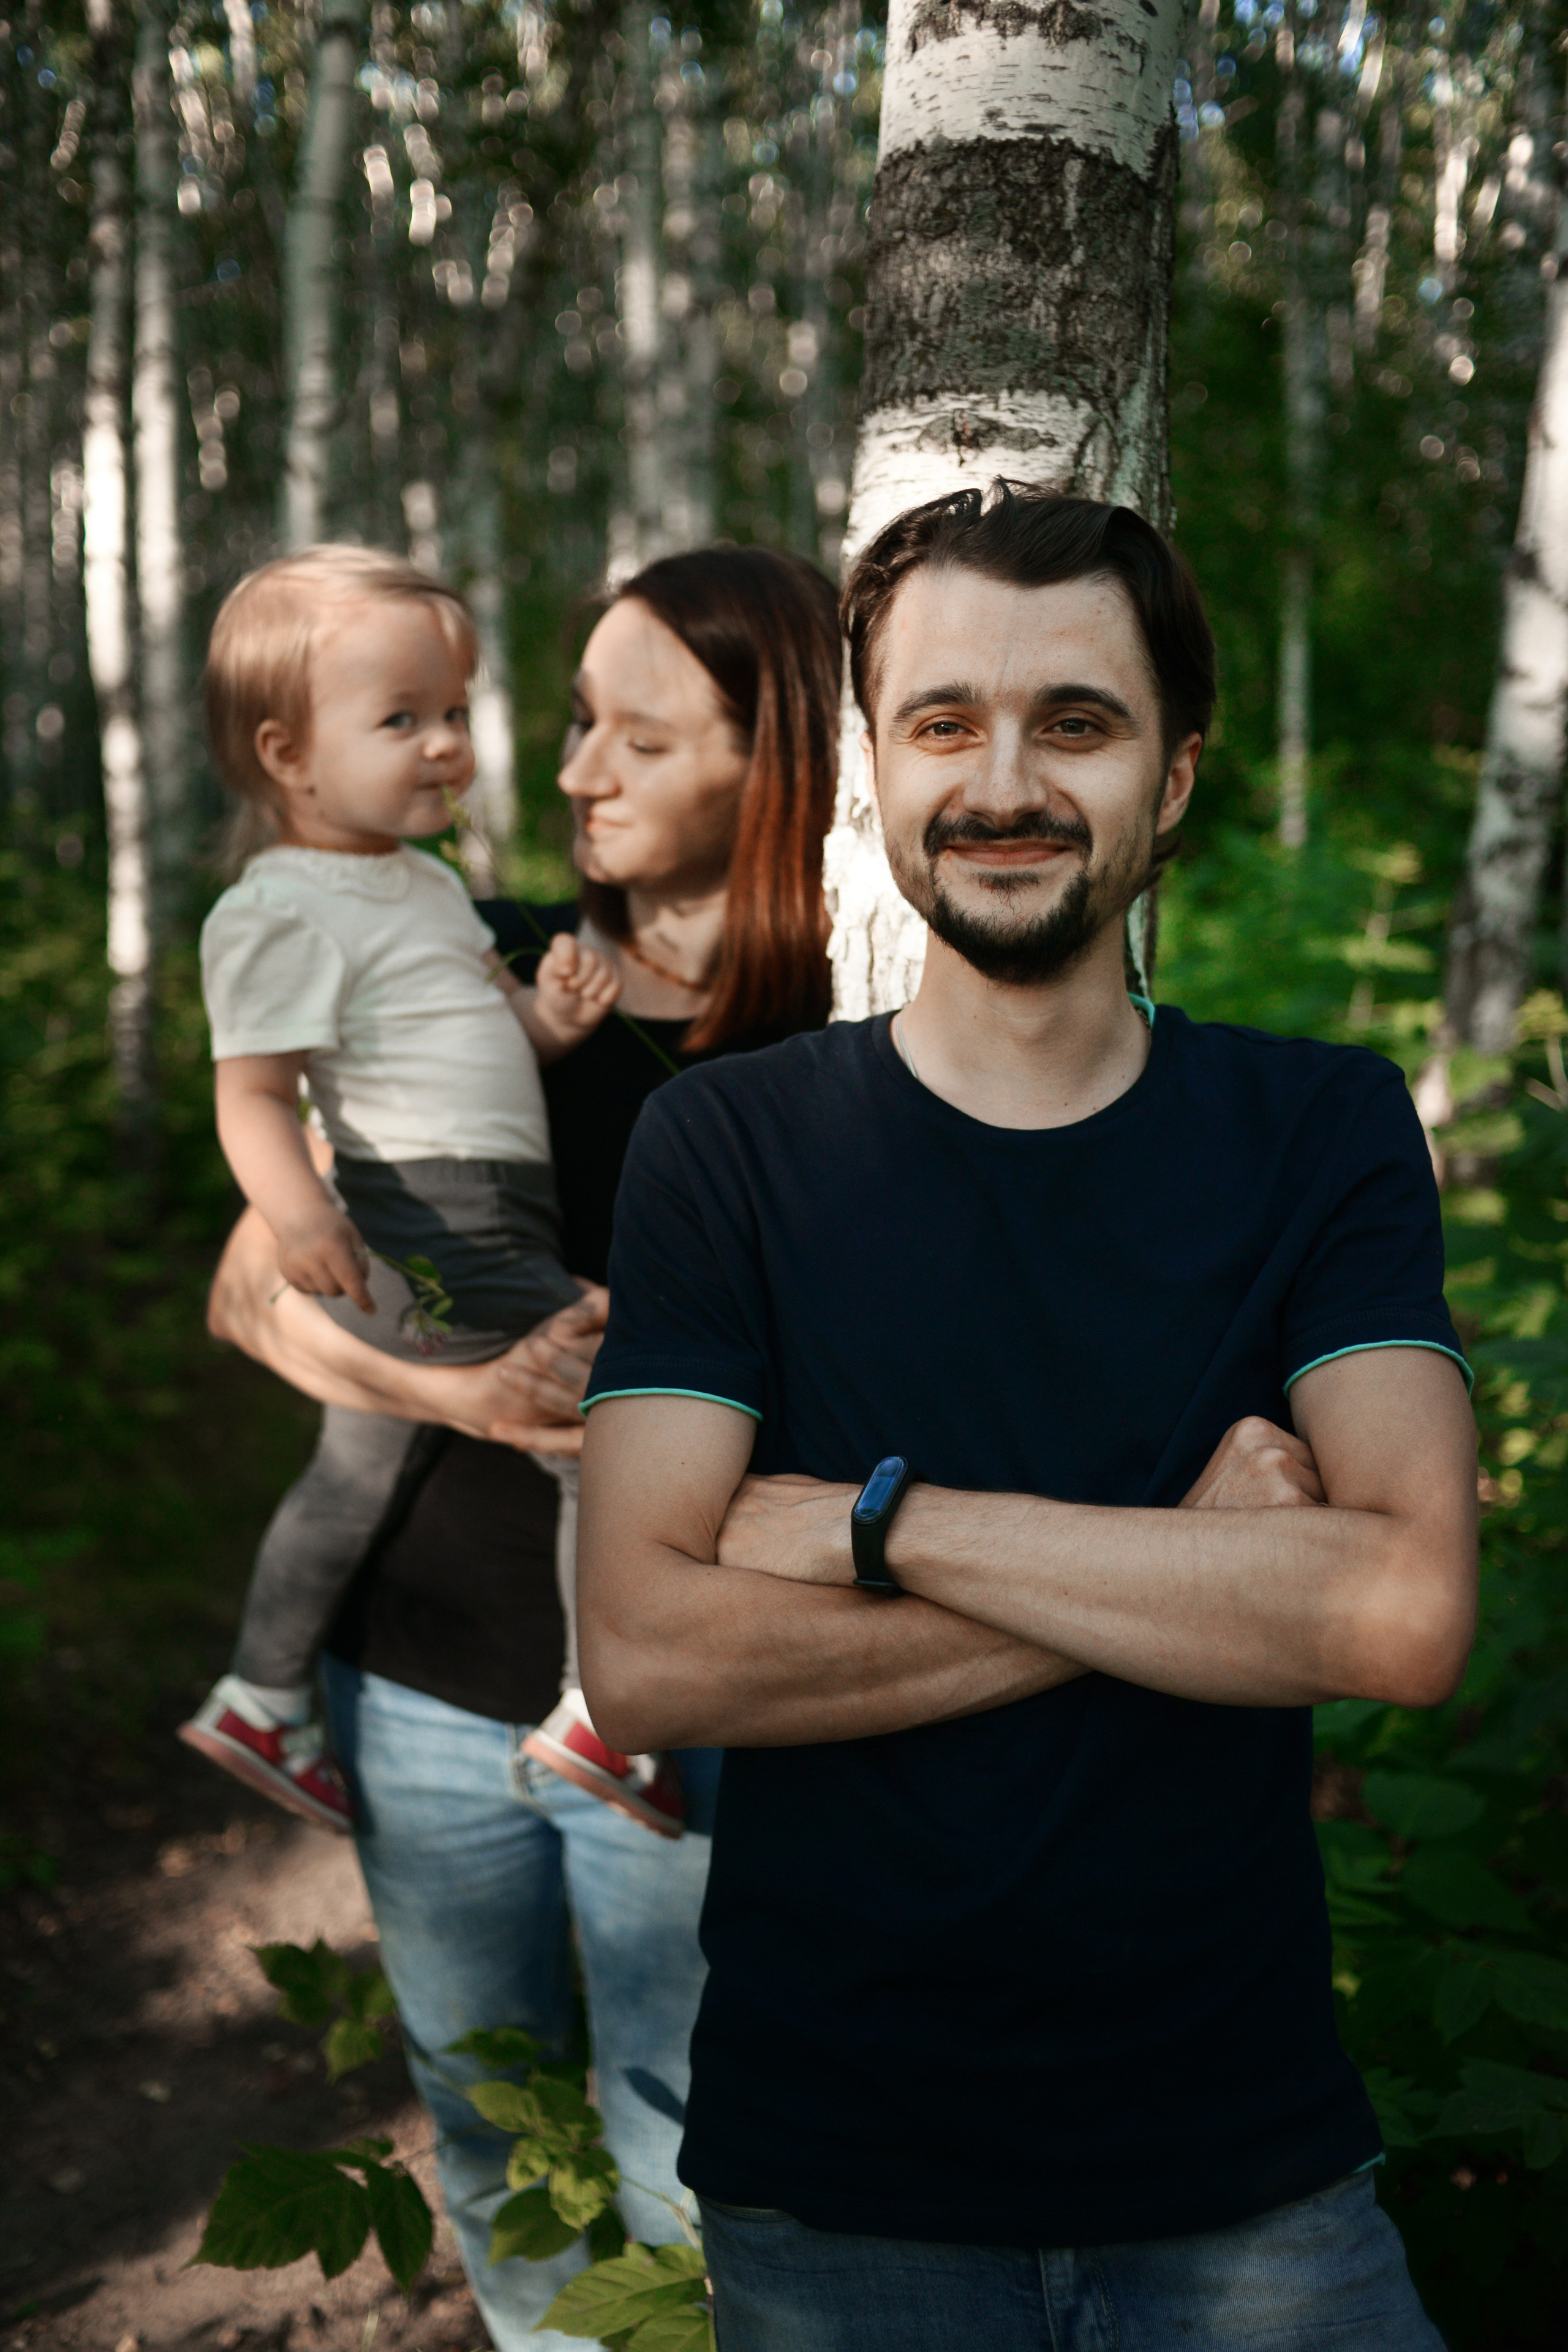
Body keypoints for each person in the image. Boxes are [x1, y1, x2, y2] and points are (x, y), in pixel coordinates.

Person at [575, 485, 1479, 2351]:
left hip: (1249, 2190)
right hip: (841, 2189)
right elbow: (648, 1656)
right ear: (871, 776)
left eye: (1077, 721)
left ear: (1177, 777)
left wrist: (872, 1527)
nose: (1007, 782)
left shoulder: (1316, 1131)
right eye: (944, 723)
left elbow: (1400, 1615)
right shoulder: (731, 1148)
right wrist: (1200, 1572)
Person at [206, 543, 841, 2350]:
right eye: (571, 724)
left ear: (776, 764)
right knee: (488, 2129)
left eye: (638, 738)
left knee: (688, 2154)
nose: (570, 774)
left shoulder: (830, 1044)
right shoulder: (463, 960)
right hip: (419, 1665)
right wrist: (463, 1399)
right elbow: (249, 1297)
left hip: (674, 1693)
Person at [179, 546, 660, 1837]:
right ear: (287, 755)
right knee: (600, 1416)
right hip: (430, 1213)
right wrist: (298, 1215)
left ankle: (263, 1694)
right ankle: (602, 1712)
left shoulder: (429, 884)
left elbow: (469, 1034)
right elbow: (255, 1095)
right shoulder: (281, 907)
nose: (446, 745)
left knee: (353, 1473)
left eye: (454, 713)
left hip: (467, 1200)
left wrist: (545, 1020)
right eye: (402, 719)